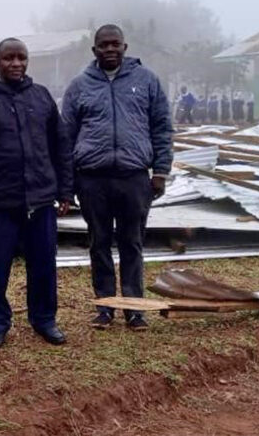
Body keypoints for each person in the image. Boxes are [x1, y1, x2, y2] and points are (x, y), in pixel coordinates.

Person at [60, 24, 173, 331]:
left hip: (134, 177)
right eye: (103, 45)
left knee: (132, 242)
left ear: (125, 47)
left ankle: (134, 309)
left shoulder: (146, 81)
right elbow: (65, 138)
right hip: (92, 178)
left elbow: (162, 127)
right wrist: (67, 186)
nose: (109, 49)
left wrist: (160, 171)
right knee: (99, 243)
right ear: (94, 50)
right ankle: (106, 306)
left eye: (115, 44)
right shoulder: (79, 86)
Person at [0, 38, 71, 350]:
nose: (16, 64)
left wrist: (64, 190)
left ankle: (44, 318)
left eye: (21, 58)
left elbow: (60, 146)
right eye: (8, 58)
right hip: (0, 204)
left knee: (44, 264)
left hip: (40, 201)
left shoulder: (41, 97)